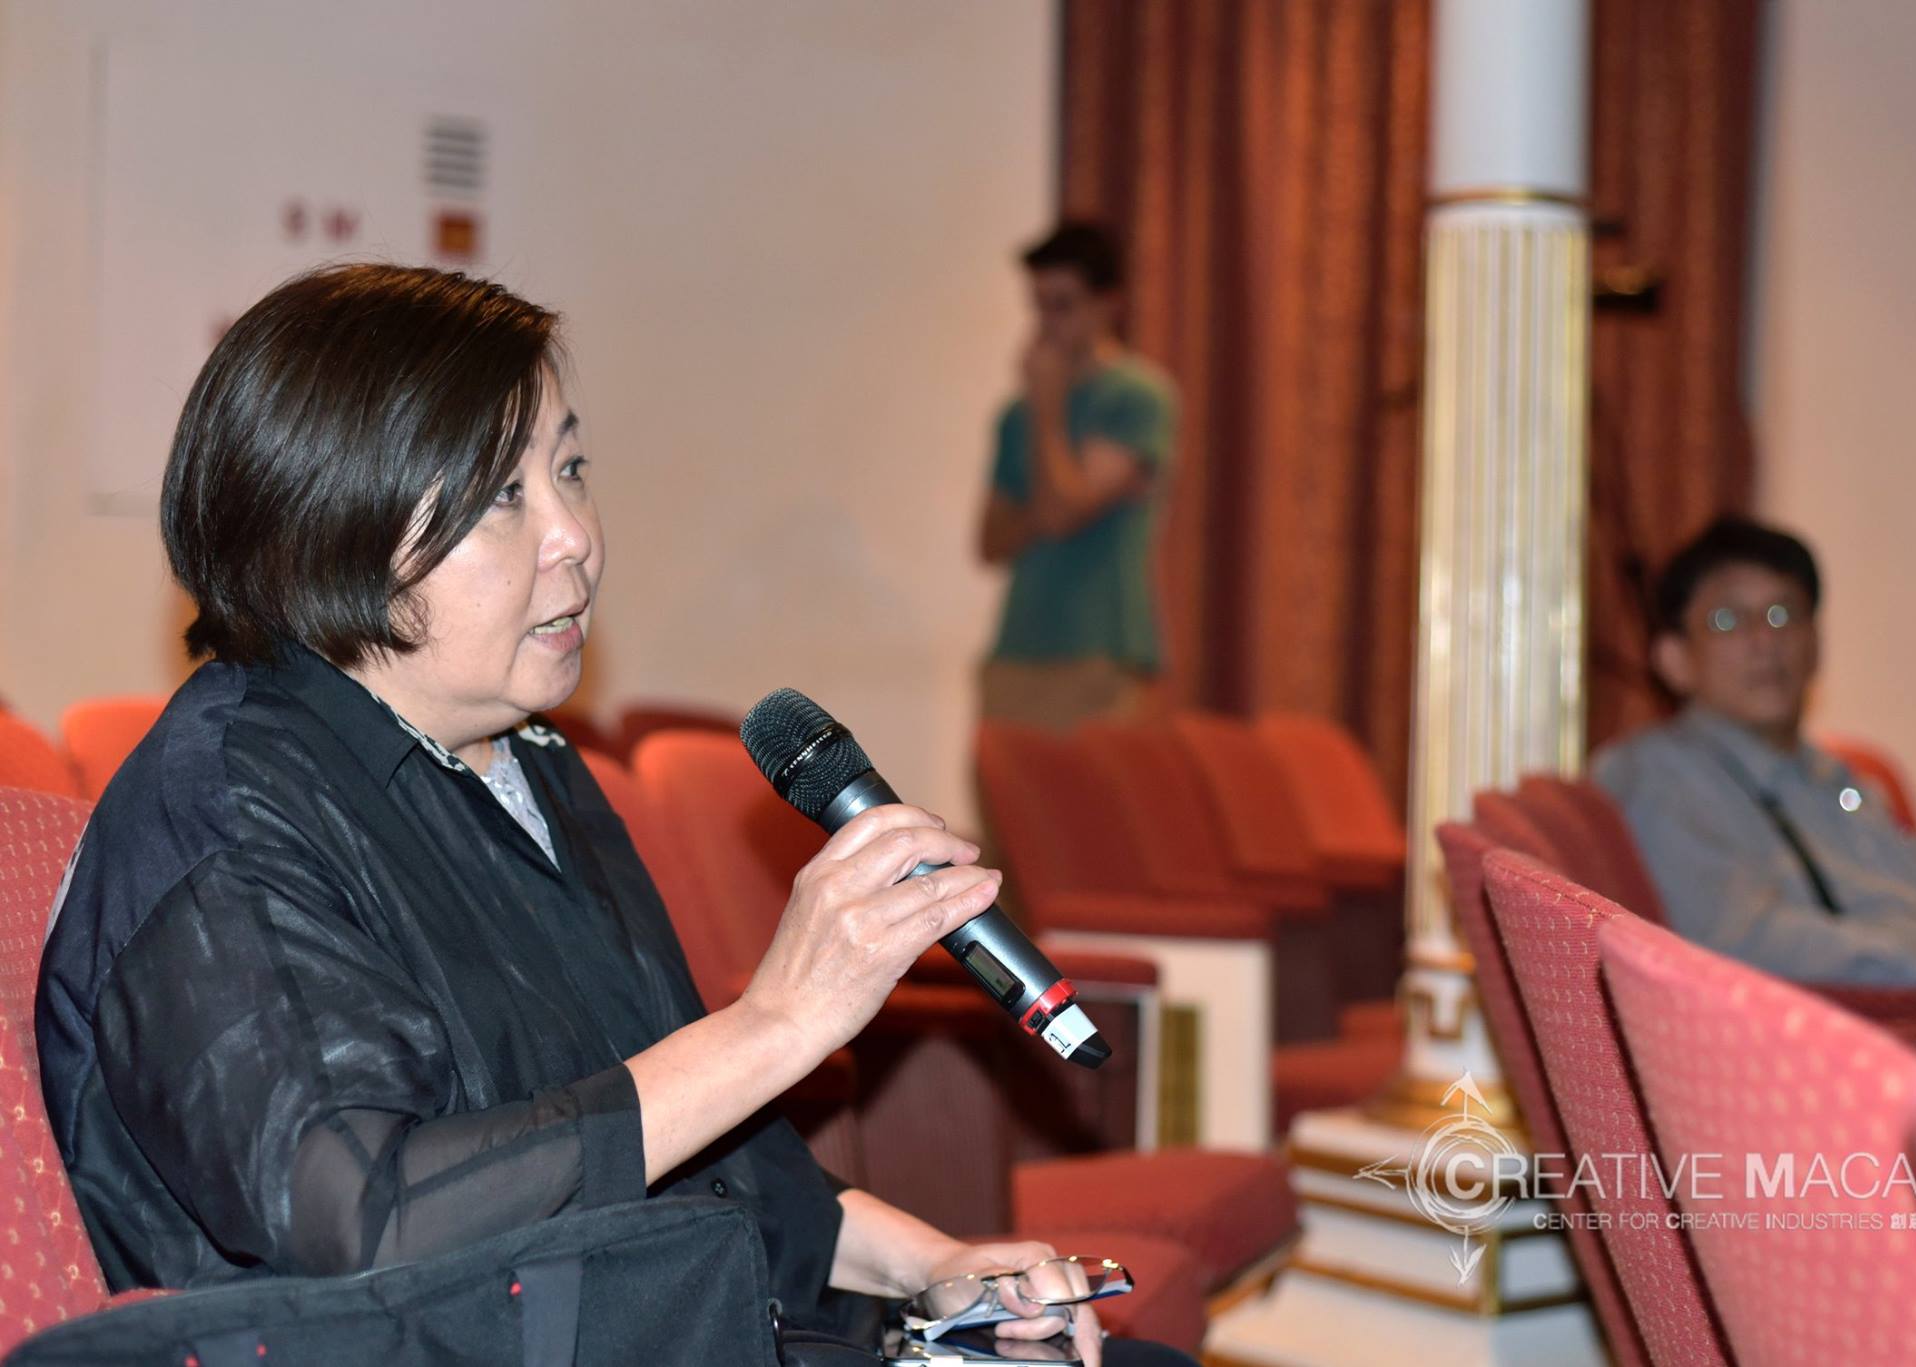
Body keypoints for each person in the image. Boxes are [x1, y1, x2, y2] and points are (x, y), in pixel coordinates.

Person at [36, 265, 1192, 1366]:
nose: (575, 535)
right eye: (504, 495)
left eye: (571, 470)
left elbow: (696, 1157)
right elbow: (368, 1217)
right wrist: (772, 1024)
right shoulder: (229, 811)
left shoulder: (530, 761)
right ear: (331, 523)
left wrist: (933, 1268)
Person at [1594, 516, 1916, 1052]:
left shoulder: (1844, 779)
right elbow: (1740, 940)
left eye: (1783, 613)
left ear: (1816, 642)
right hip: (1868, 1038)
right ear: (1674, 659)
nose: (1764, 640)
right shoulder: (1661, 774)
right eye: (1728, 619)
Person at [977, 221, 1177, 730]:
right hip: (1017, 651)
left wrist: (1048, 412)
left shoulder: (1137, 398)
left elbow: (1062, 516)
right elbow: (990, 541)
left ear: (1108, 304)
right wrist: (1054, 504)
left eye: (1063, 305)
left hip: (1100, 653)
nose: (1047, 324)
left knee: (1095, 786)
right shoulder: (1015, 415)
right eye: (1039, 305)